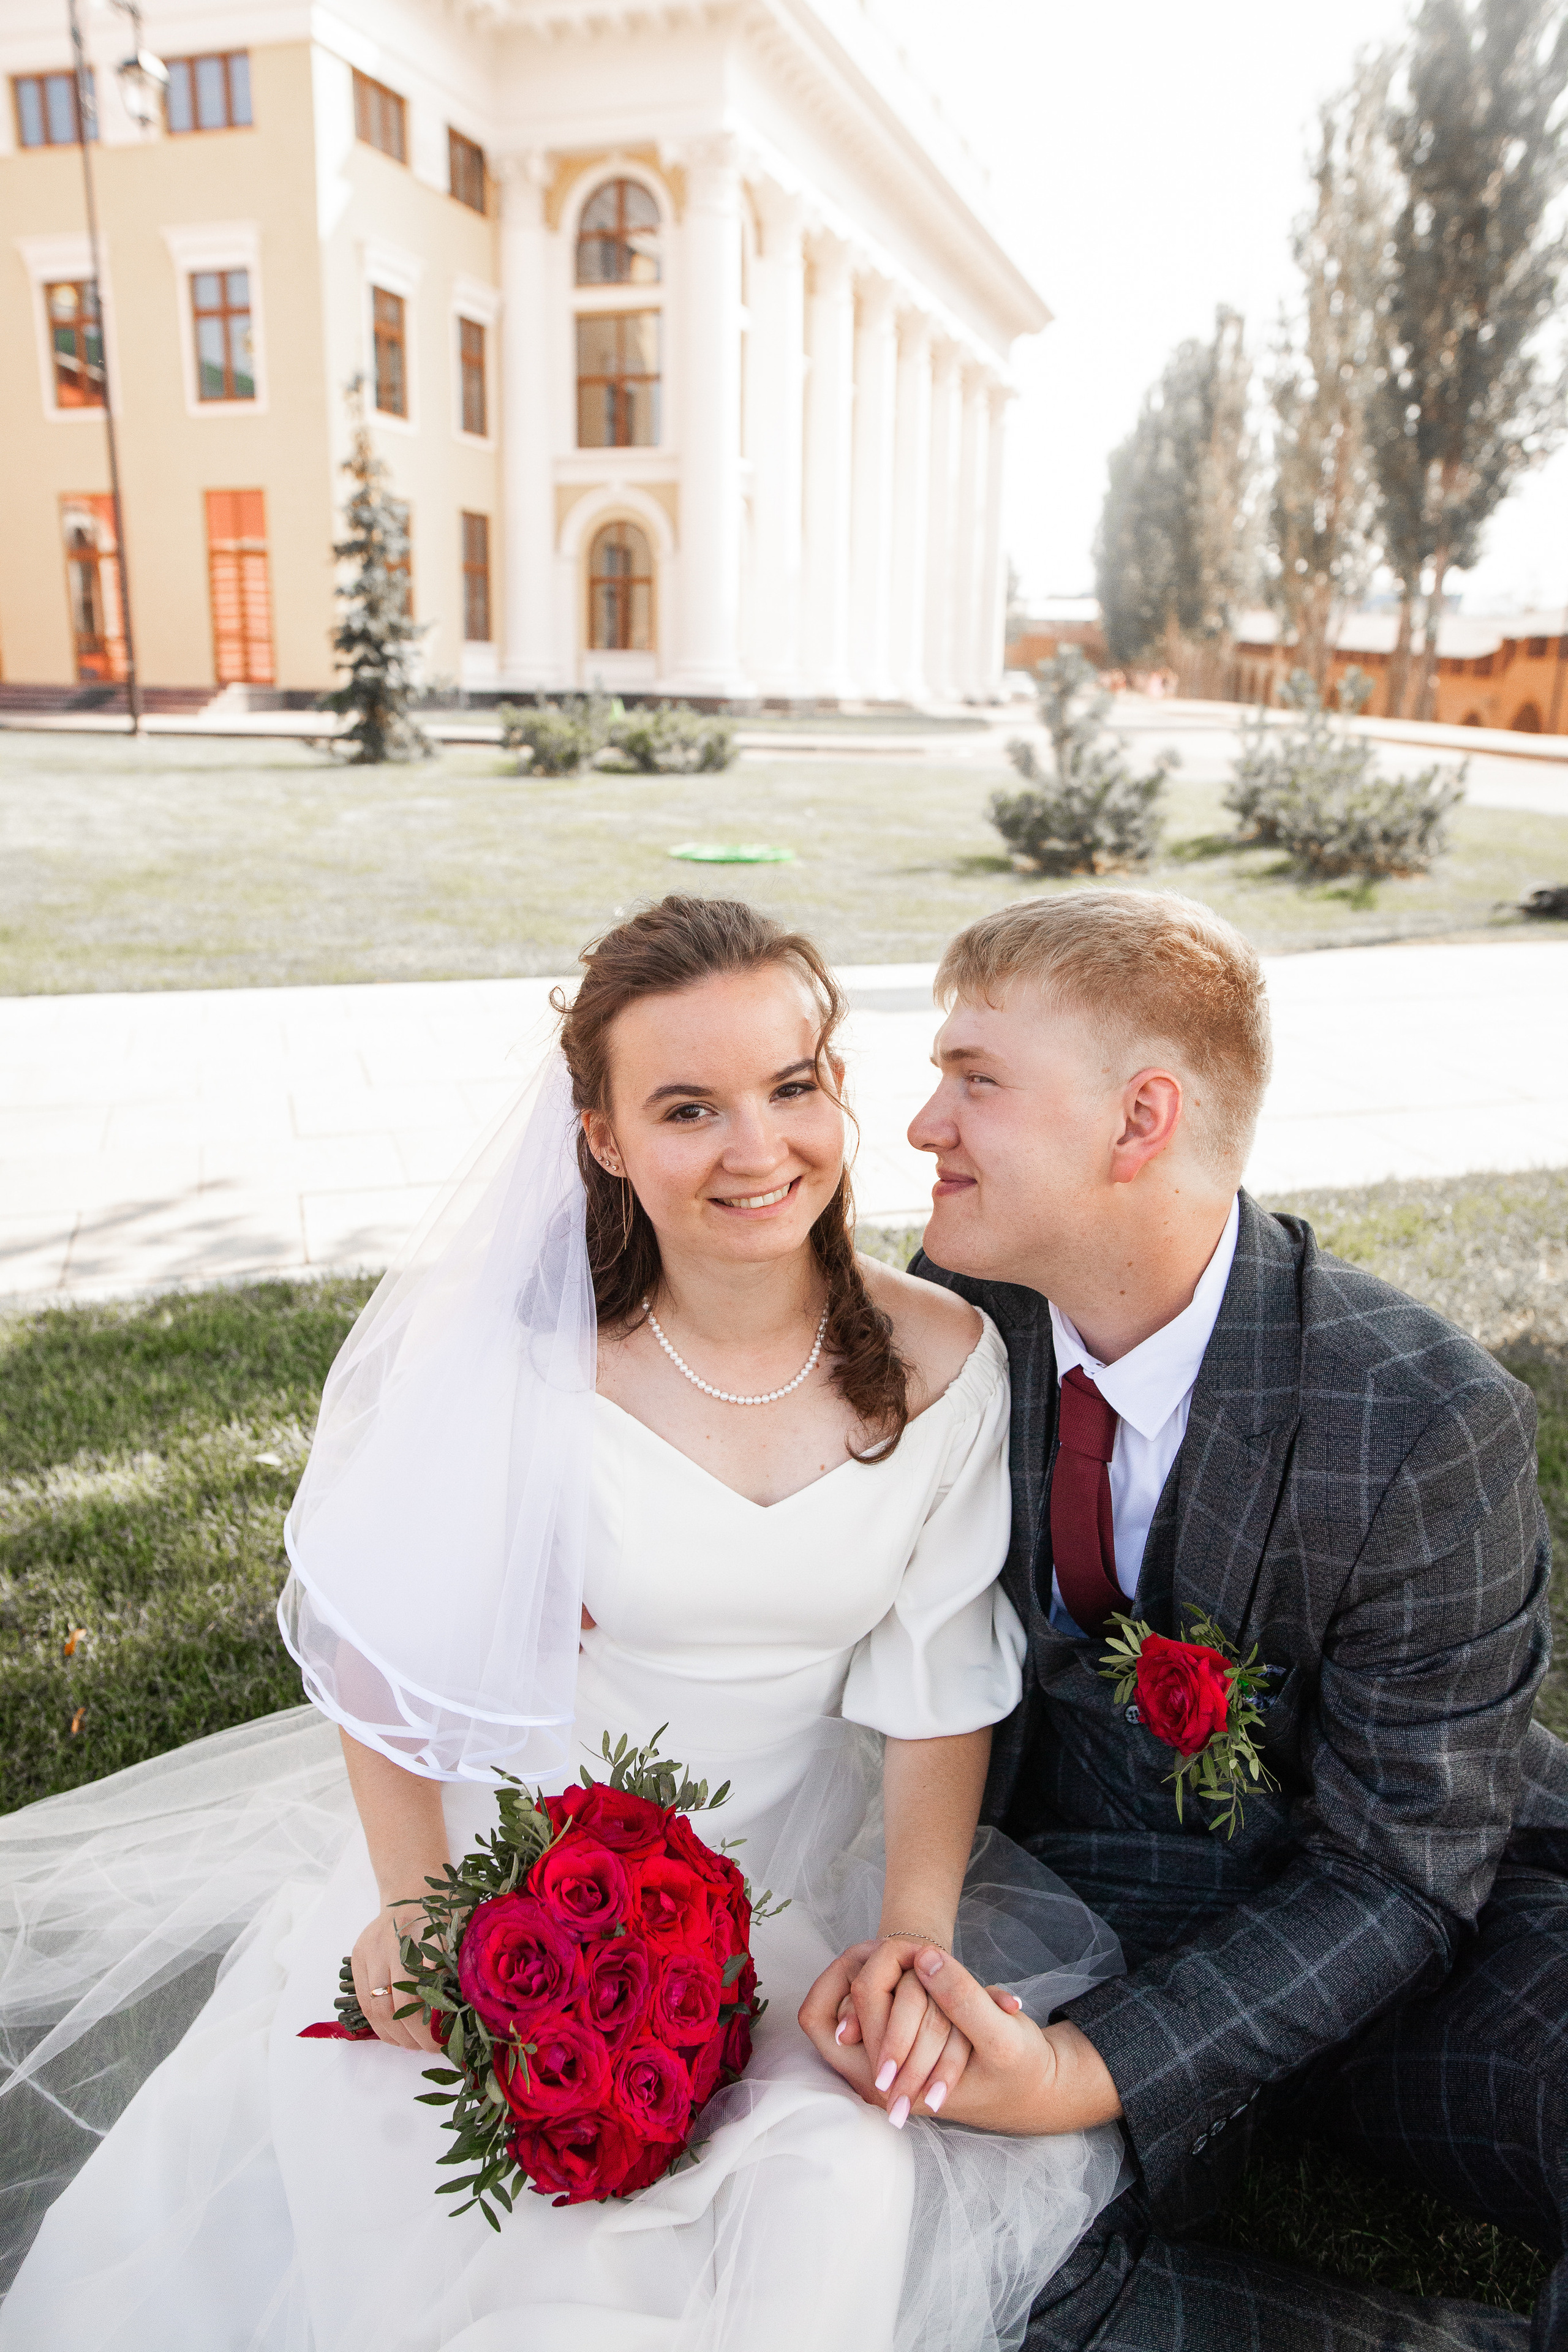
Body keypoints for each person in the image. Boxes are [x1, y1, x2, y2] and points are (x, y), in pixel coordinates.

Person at [0, 896, 1123, 2352]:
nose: (754, 1149)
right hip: (506, 1874)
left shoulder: (943, 1361)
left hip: (791, 1888)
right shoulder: (527, 1370)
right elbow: (381, 1658)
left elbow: (937, 1684)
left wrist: (908, 1941)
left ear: (837, 1087)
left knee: (837, 2179)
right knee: (449, 2217)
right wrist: (417, 1911)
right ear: (601, 1139)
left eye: (792, 1087)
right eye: (684, 1108)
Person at [801, 888, 1568, 2351]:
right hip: (1074, 1906)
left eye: (973, 1081)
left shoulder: (1420, 1420)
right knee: (920, 2256)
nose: (920, 1129)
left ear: (1137, 1123)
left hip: (1419, 1939)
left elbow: (1400, 1876)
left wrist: (1084, 2073)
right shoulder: (966, 1311)